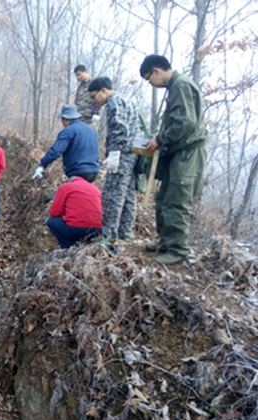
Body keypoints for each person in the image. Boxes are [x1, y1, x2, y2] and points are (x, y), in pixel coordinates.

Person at [139, 55, 207, 265]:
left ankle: (178, 249)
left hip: (188, 154)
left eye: (149, 79)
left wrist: (160, 139)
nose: (151, 83)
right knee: (164, 199)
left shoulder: (181, 85)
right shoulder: (175, 86)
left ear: (156, 71)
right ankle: (166, 242)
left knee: (178, 200)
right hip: (177, 153)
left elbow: (185, 122)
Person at [88, 77, 140, 244]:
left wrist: (114, 153)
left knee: (114, 194)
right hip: (132, 153)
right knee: (128, 194)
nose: (94, 101)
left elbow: (120, 130)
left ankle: (109, 235)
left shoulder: (114, 102)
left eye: (94, 96)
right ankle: (125, 233)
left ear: (103, 90)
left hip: (122, 154)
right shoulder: (126, 100)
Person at [32, 104, 100, 183]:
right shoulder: (91, 130)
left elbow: (56, 151)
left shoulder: (68, 131)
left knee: (71, 190)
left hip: (78, 171)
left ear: (64, 118)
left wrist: (42, 164)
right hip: (94, 172)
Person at [47, 176, 102, 249]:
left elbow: (54, 213)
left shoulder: (66, 187)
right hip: (98, 231)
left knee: (52, 221)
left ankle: (68, 248)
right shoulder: (95, 188)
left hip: (77, 229)